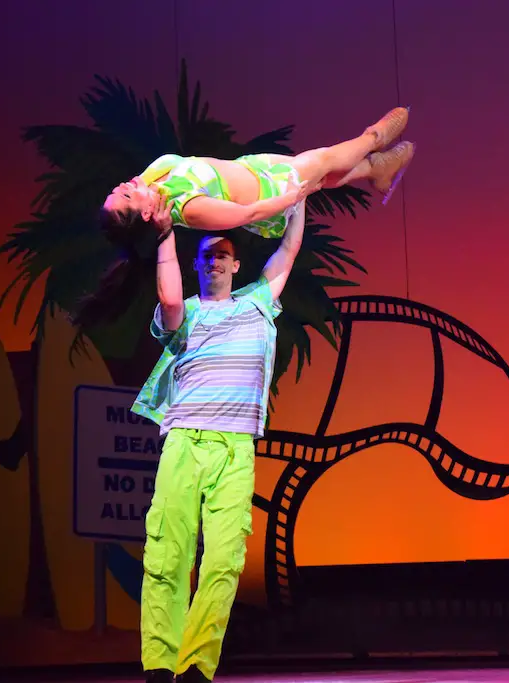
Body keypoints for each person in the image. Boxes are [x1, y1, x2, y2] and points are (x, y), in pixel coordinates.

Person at [128, 188, 310, 683]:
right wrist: (165, 234)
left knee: (225, 560)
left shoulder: (257, 304)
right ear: (197, 265)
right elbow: (168, 297)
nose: (215, 261)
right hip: (185, 440)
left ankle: (195, 664)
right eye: (207, 255)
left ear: (235, 266)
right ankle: (160, 664)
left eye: (223, 255)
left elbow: (289, 249)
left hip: (235, 447)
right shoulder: (185, 312)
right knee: (167, 554)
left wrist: (298, 199)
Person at [101, 106, 414, 241]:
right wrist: (288, 199)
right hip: (271, 192)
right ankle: (375, 137)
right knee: (324, 158)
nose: (124, 185)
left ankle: (376, 169)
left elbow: (167, 163)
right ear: (145, 214)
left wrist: (140, 183)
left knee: (325, 174)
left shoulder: (151, 179)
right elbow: (246, 215)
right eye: (125, 195)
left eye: (117, 190)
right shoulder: (188, 208)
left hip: (254, 168)